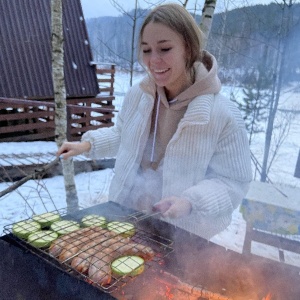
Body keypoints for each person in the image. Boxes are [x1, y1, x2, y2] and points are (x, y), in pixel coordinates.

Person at [57, 3, 252, 240]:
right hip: (126, 217)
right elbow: (122, 135)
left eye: (165, 48)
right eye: (146, 50)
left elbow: (233, 183)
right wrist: (87, 145)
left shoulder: (223, 114)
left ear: (188, 48)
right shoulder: (139, 95)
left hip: (183, 235)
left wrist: (190, 201)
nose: (154, 61)